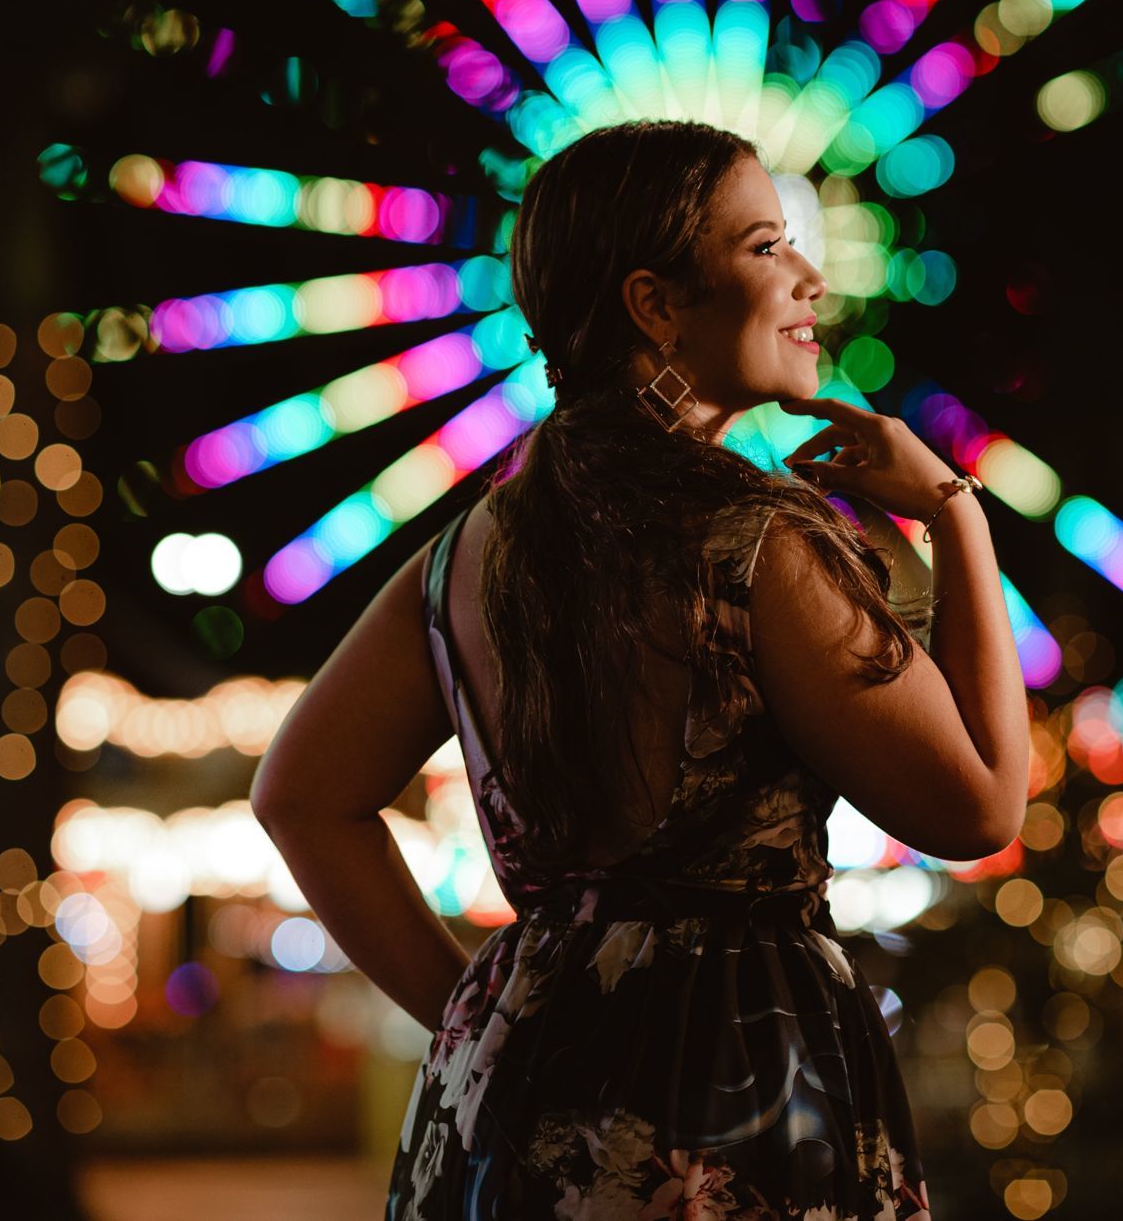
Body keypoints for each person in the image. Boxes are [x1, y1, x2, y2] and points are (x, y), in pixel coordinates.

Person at [251, 119, 1031, 1220]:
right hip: (740, 1091)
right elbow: (980, 803)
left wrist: (478, 1014)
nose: (811, 277)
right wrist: (957, 514)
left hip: (510, 1110)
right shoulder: (761, 544)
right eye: (765, 247)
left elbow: (299, 798)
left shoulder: (470, 551)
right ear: (654, 303)